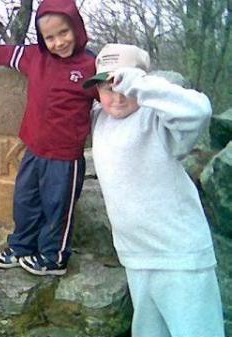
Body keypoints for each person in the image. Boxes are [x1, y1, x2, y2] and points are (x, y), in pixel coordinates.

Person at [83, 43, 225, 337]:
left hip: (180, 256)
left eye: (124, 86)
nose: (117, 97)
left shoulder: (157, 120)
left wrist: (140, 85)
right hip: (135, 255)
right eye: (107, 88)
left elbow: (199, 111)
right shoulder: (99, 120)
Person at [0, 0, 98, 276]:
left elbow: (112, 95)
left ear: (76, 28)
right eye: (50, 37)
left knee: (57, 208)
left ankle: (54, 257)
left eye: (64, 32)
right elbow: (7, 53)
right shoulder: (35, 58)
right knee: (25, 200)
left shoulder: (90, 66)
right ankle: (21, 247)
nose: (58, 42)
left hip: (65, 157)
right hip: (34, 149)